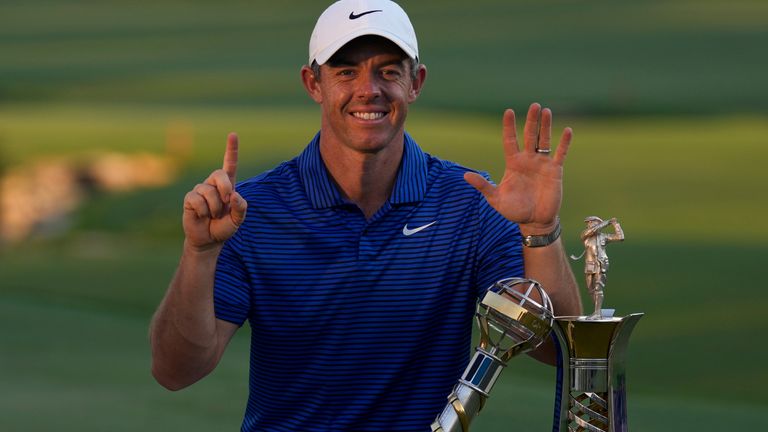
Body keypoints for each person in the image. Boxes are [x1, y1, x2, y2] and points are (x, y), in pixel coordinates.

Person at [150, 0, 583, 430]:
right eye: (345, 71)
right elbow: (176, 371)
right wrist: (199, 251)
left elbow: (558, 352)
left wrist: (540, 230)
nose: (368, 89)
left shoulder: (468, 202)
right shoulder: (251, 211)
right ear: (313, 83)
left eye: (389, 70)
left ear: (416, 82)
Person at [575, 216, 624, 319]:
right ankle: (598, 311)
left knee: (598, 287)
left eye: (591, 222)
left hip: (601, 264)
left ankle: (597, 312)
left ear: (597, 223)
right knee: (590, 288)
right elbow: (592, 231)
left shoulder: (604, 237)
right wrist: (607, 222)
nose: (588, 224)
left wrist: (615, 224)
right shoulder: (585, 235)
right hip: (590, 265)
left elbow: (620, 237)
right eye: (588, 223)